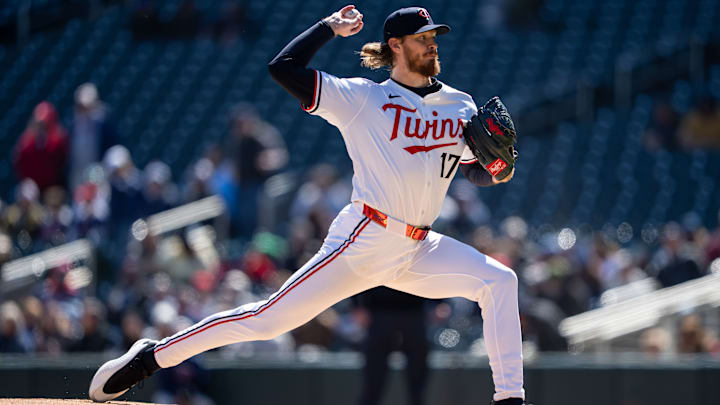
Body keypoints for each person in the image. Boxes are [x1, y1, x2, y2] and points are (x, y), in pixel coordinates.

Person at [89, 6, 529, 405]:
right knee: (265, 320)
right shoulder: (362, 99)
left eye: (434, 35)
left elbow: (470, 167)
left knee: (499, 281)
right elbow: (283, 68)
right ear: (395, 45)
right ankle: (150, 358)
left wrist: (495, 170)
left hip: (418, 248)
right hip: (365, 237)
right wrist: (326, 29)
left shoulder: (460, 105)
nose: (432, 42)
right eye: (422, 36)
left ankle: (510, 400)